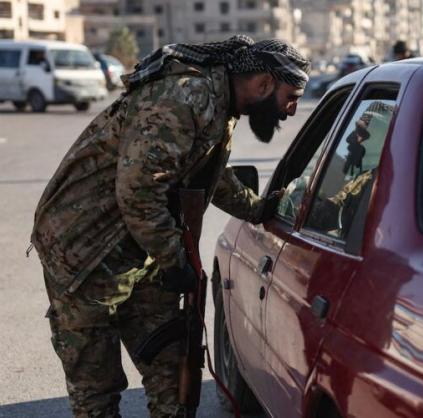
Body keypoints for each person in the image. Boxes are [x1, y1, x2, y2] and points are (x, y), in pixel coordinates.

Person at [30, 35, 310, 418]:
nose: (292, 110)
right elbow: (140, 192)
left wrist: (258, 209)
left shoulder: (215, 103)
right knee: (96, 385)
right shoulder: (182, 99)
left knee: (172, 367)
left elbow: (210, 174)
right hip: (84, 251)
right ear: (264, 84)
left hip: (142, 243)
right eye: (290, 96)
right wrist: (174, 259)